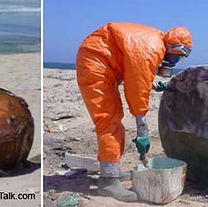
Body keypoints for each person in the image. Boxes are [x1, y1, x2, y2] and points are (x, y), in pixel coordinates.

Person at [76, 23, 192, 202]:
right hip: (96, 62)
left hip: (104, 59)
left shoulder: (155, 41)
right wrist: (142, 130)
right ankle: (108, 182)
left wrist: (151, 84)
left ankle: (111, 170)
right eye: (179, 56)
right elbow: (137, 89)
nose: (176, 61)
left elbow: (134, 73)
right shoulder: (152, 48)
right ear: (174, 48)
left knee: (113, 120)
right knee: (108, 121)